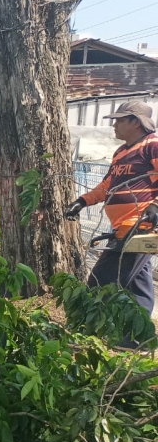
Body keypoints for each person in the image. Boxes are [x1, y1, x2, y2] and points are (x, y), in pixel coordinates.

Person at [65, 100, 158, 316]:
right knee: (139, 284)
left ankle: (89, 323)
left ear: (136, 122)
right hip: (122, 227)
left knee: (102, 281)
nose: (114, 125)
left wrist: (155, 207)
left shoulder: (152, 146)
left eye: (119, 120)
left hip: (139, 227)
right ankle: (137, 331)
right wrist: (82, 201)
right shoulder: (121, 152)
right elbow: (108, 184)